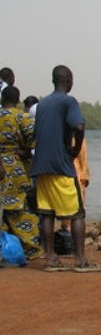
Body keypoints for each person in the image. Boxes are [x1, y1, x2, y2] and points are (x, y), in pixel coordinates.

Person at [31, 65, 101, 272]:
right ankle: (80, 261)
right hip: (61, 165)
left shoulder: (42, 104)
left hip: (41, 166)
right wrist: (75, 149)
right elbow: (79, 126)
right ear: (69, 81)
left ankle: (50, 258)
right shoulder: (68, 101)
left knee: (47, 213)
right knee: (77, 214)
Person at [0, 86, 43, 260]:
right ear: (18, 101)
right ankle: (30, 249)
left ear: (2, 99)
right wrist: (25, 153)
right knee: (20, 210)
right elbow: (36, 144)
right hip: (17, 169)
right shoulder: (24, 118)